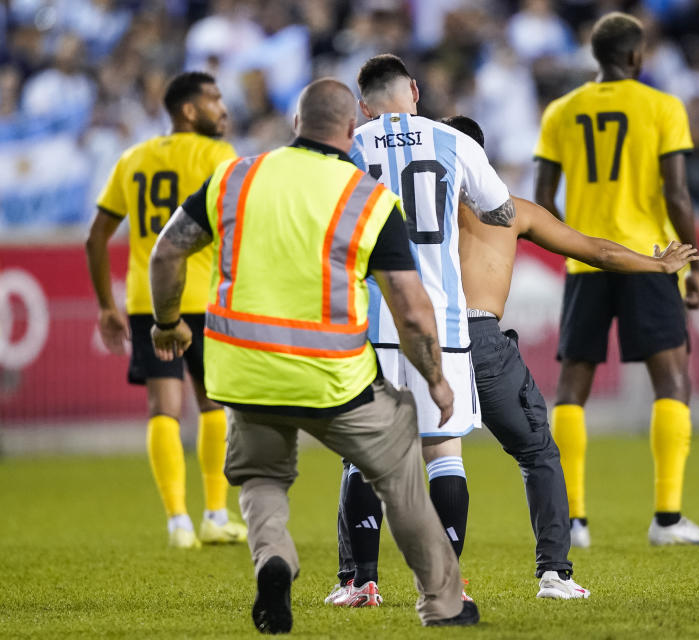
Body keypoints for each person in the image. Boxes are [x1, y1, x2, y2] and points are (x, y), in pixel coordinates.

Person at [147, 78, 478, 632]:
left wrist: (167, 324)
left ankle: (274, 557)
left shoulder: (235, 177)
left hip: (245, 372)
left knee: (262, 478)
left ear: (296, 124)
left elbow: (167, 252)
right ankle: (443, 603)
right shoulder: (367, 197)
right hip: (334, 376)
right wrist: (436, 378)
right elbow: (412, 307)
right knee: (400, 471)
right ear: (352, 131)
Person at [448, 115, 699, 598]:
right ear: (479, 158)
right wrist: (658, 264)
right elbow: (595, 250)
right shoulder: (512, 211)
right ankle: (554, 575)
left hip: (418, 339)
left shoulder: (407, 209)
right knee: (537, 452)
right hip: (480, 336)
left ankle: (363, 577)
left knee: (388, 459)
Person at [326, 54, 515, 608]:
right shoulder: (455, 142)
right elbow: (501, 211)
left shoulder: (351, 147)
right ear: (413, 90)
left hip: (375, 319)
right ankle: (444, 585)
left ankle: (361, 583)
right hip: (442, 323)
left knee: (367, 452)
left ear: (364, 104)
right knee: (445, 451)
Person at [533, 12, 699, 548]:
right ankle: (667, 519)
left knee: (573, 386)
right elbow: (678, 195)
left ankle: (573, 521)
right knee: (673, 381)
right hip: (648, 258)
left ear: (597, 57)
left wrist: (574, 239)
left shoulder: (561, 111)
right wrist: (694, 264)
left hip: (586, 262)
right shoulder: (662, 106)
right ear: (637, 56)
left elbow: (543, 193)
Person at [84, 71, 247, 549]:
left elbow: (95, 236)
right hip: (207, 297)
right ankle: (215, 514)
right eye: (215, 100)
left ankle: (178, 522)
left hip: (149, 301)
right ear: (189, 110)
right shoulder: (219, 156)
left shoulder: (133, 159)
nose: (223, 108)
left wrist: (105, 307)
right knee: (213, 402)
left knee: (163, 409)